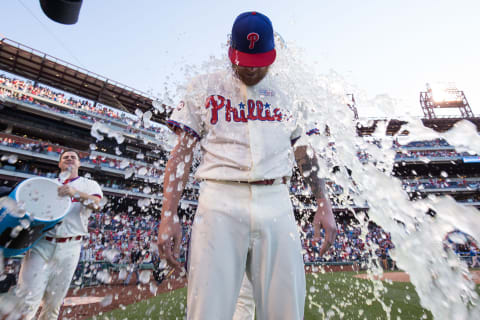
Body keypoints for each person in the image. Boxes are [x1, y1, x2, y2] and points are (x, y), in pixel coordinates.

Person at [156, 11, 336, 320]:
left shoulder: (288, 93)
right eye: (243, 63)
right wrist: (168, 214)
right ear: (230, 52)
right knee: (207, 311)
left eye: (258, 64)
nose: (251, 72)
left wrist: (323, 201)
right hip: (219, 201)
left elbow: (304, 152)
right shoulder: (203, 86)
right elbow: (181, 154)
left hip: (277, 200)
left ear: (273, 55)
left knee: (286, 309)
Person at [0, 149, 103, 320]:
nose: (69, 159)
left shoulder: (89, 184)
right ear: (59, 163)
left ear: (79, 163)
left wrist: (74, 193)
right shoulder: (48, 184)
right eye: (65, 157)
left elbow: (97, 204)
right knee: (27, 300)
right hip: (42, 243)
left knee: (53, 305)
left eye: (73, 157)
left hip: (70, 247)